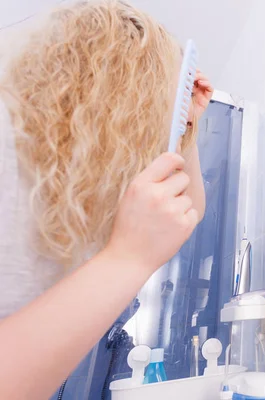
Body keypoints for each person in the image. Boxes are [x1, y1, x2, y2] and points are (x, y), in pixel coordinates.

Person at [0, 1, 213, 398]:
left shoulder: (82, 179)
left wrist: (187, 128)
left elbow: (187, 214)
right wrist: (126, 258)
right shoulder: (8, 150)